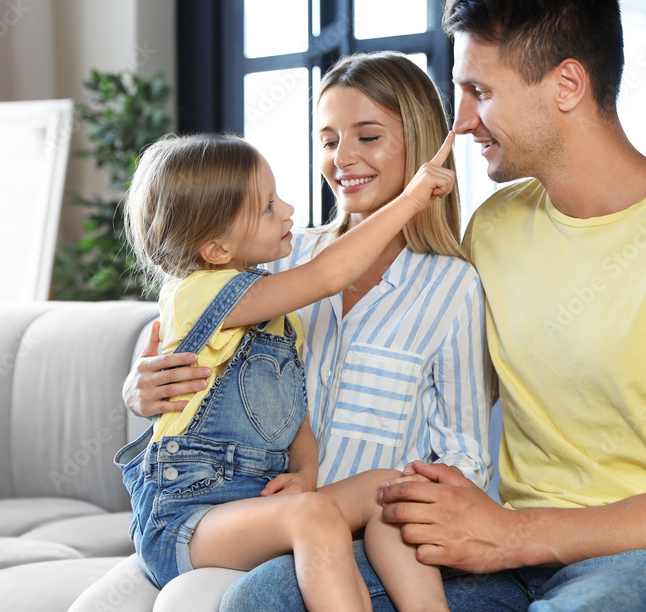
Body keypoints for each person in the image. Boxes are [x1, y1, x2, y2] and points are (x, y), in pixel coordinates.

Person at [222, 0, 646, 612]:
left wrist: (514, 534)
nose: (462, 119)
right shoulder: (495, 228)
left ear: (567, 84)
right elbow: (427, 373)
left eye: (482, 92)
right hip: (511, 560)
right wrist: (181, 360)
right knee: (264, 597)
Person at [116, 52, 493, 610]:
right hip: (232, 512)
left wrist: (311, 472)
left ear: (418, 144)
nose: (343, 158)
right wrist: (138, 388)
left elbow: (464, 454)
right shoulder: (276, 261)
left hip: (342, 524)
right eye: (328, 140)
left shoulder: (453, 287)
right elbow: (181, 338)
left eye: (368, 137)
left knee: (386, 490)